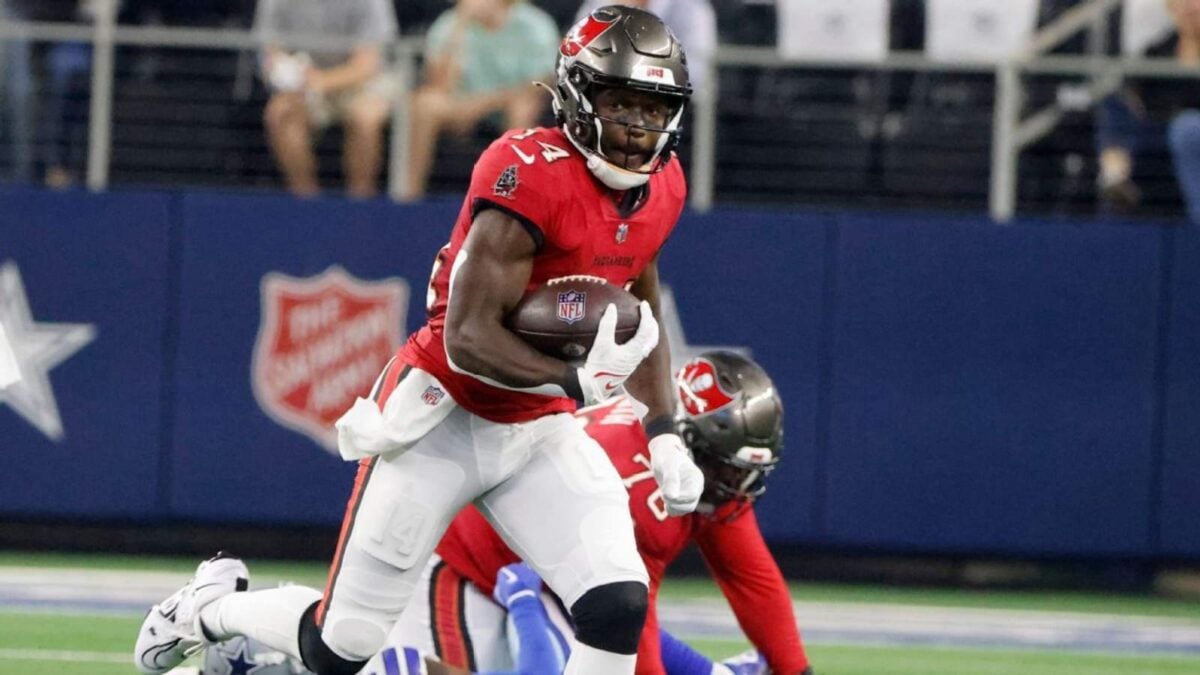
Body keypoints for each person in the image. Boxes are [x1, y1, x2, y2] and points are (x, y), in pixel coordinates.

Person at [135, 6, 701, 675]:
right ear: (578, 97)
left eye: (653, 107)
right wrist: (576, 381)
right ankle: (211, 608)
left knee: (616, 604)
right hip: (443, 410)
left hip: (536, 430)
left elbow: (641, 295)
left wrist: (664, 429)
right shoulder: (527, 170)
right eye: (621, 102)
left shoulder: (663, 186)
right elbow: (466, 338)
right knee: (339, 644)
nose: (638, 127)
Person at [390, 351, 813, 675]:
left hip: (551, 582)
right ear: (683, 440)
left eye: (743, 474)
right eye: (724, 469)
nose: (734, 488)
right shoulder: (638, 487)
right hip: (467, 560)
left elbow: (753, 582)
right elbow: (634, 635)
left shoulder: (700, 477)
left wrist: (797, 670)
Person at [401, 0, 559, 201]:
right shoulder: (450, 23)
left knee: (522, 108)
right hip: (462, 104)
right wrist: (460, 27)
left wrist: (482, 104)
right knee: (425, 104)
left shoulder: (534, 24)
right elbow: (439, 85)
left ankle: (511, 198)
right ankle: (409, 197)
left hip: (510, 101)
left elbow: (539, 82)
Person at [254, 0, 399, 198]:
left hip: (361, 85)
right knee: (279, 113)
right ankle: (308, 205)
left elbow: (367, 65)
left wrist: (321, 81)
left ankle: (360, 208)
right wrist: (288, 75)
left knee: (366, 117)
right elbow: (270, 55)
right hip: (304, 86)